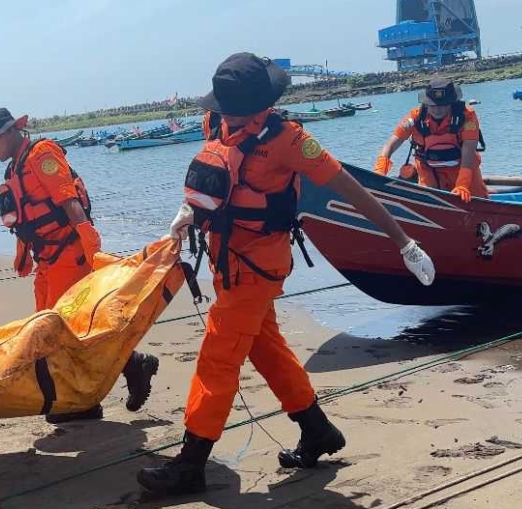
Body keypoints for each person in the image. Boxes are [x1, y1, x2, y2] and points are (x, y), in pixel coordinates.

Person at [137, 53, 436, 498]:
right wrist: (187, 212)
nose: (222, 114)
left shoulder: (291, 141)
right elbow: (215, 179)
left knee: (218, 356)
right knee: (266, 348)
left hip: (258, 267)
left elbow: (350, 190)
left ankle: (191, 463)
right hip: (225, 260)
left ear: (257, 105)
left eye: (230, 108)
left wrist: (402, 242)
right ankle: (317, 430)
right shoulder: (216, 123)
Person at [0, 108, 160, 424]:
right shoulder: (13, 169)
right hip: (47, 261)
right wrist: (23, 256)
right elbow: (26, 220)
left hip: (70, 256)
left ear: (7, 133)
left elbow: (68, 199)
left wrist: (90, 244)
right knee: (48, 332)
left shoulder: (41, 153)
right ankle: (110, 381)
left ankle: (97, 393)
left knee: (64, 330)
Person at [373, 76, 488, 202]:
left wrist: (462, 184)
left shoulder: (467, 117)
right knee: (429, 200)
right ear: (426, 103)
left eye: (443, 105)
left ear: (451, 103)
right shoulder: (414, 118)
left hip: (464, 168)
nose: (438, 109)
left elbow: (469, 150)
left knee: (478, 200)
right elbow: (391, 144)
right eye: (433, 105)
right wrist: (379, 174)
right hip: (428, 171)